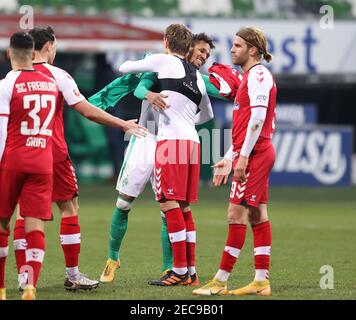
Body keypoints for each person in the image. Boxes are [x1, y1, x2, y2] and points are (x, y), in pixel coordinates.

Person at [13, 26, 146, 292]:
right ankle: (72, 274)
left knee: (23, 215)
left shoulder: (13, 77)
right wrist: (122, 124)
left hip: (22, 153)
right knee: (69, 208)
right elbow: (86, 110)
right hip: (53, 153)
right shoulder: (58, 75)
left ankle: (24, 277)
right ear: (48, 46)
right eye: (55, 46)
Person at [94, 33, 218, 285]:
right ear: (188, 48)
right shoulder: (161, 65)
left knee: (169, 207)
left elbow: (213, 100)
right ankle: (112, 258)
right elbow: (141, 86)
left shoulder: (196, 79)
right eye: (201, 50)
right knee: (124, 203)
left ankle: (169, 268)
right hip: (146, 137)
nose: (204, 56)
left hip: (170, 142)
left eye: (208, 54)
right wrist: (149, 96)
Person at [193, 26, 277, 296]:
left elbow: (258, 119)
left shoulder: (259, 74)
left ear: (253, 50)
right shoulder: (249, 77)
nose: (232, 49)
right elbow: (244, 127)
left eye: (238, 45)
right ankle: (261, 281)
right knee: (256, 214)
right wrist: (229, 157)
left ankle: (220, 280)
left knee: (235, 214)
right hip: (251, 152)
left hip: (255, 154)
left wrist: (241, 158)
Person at [0, 32, 59, 300]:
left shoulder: (7, 84)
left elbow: (2, 130)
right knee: (35, 226)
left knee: (3, 224)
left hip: (12, 160)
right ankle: (31, 285)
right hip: (42, 162)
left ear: (10, 53)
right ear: (33, 53)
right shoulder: (50, 83)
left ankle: (1, 289)